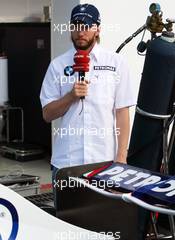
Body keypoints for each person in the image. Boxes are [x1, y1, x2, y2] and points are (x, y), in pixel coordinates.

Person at [40, 3, 136, 197]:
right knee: (66, 222)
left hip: (105, 162)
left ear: (97, 29)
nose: (80, 32)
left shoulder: (115, 63)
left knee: (103, 221)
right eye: (75, 26)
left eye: (85, 26)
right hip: (66, 163)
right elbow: (47, 114)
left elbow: (122, 113)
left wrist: (121, 156)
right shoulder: (57, 66)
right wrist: (70, 96)